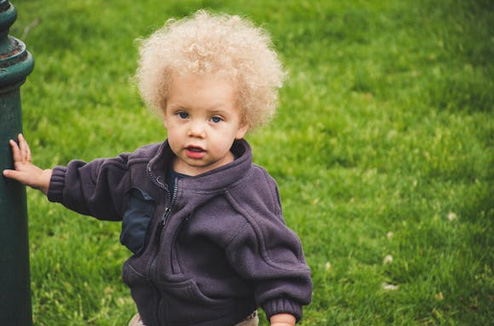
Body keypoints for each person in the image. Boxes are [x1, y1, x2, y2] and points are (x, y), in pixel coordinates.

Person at [3, 10, 312, 326]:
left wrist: (282, 318)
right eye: (182, 114)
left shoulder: (246, 194)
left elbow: (278, 265)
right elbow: (98, 183)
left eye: (215, 119)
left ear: (243, 123)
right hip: (152, 317)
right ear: (163, 111)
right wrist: (43, 177)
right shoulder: (145, 169)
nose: (196, 130)